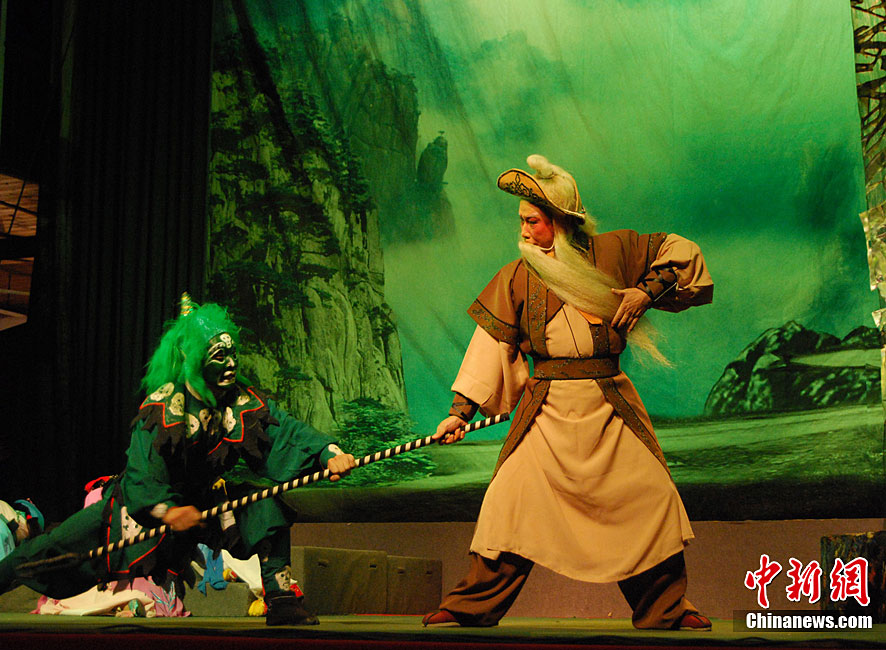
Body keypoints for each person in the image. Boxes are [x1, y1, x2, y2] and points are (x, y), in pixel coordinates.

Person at [423, 155, 714, 630]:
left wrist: (645, 292)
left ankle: (666, 608)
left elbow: (682, 253)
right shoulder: (517, 276)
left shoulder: (615, 251)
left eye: (533, 221)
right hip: (546, 414)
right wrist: (460, 412)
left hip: (609, 406)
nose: (523, 230)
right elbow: (490, 347)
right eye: (521, 220)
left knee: (649, 498)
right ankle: (468, 606)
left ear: (560, 222)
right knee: (508, 504)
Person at [0, 295, 356, 625]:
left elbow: (284, 431)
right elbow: (141, 474)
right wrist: (168, 511)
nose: (231, 363)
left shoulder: (239, 401)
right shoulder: (165, 406)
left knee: (265, 506)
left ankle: (281, 600)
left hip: (203, 503)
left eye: (232, 353)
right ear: (192, 357)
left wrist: (328, 453)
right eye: (219, 356)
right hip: (140, 508)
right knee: (48, 553)